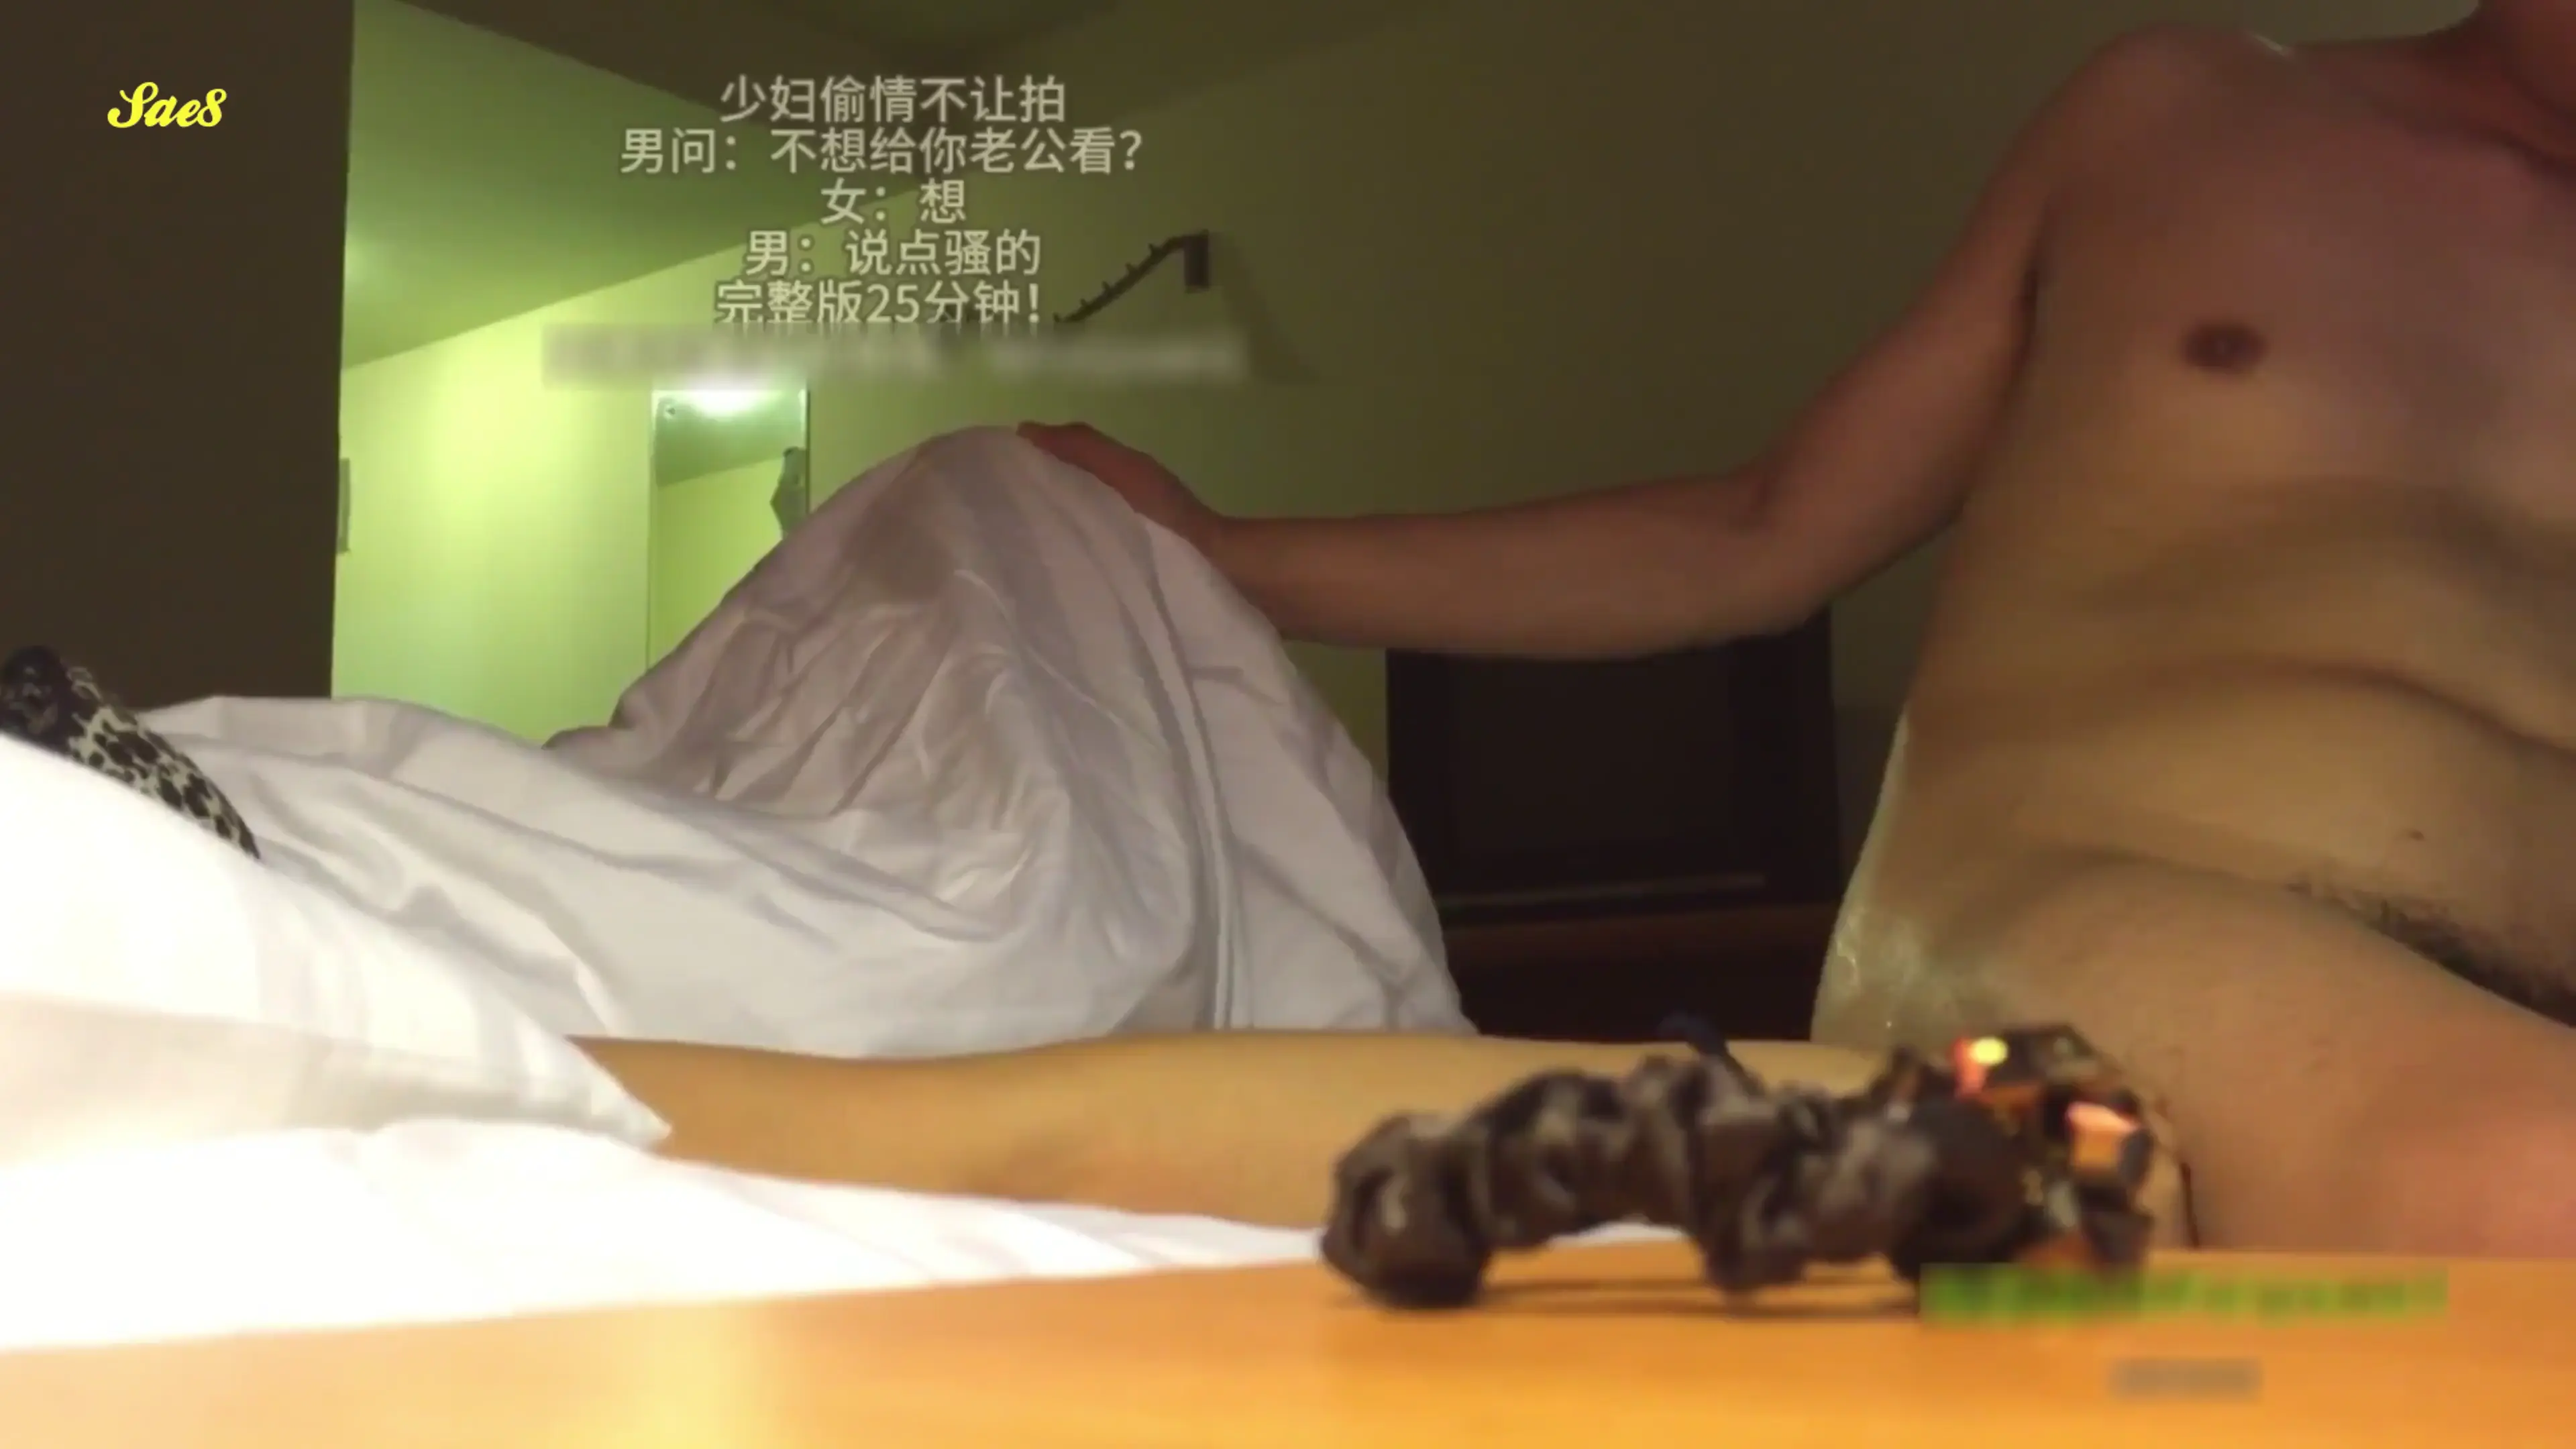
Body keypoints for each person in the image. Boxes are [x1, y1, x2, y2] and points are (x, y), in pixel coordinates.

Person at [590, 5, 2576, 1256]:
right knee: (2507, 1188)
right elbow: (1758, 534)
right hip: (2128, 930)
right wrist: (1238, 558)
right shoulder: (2186, 110)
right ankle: (651, 1111)